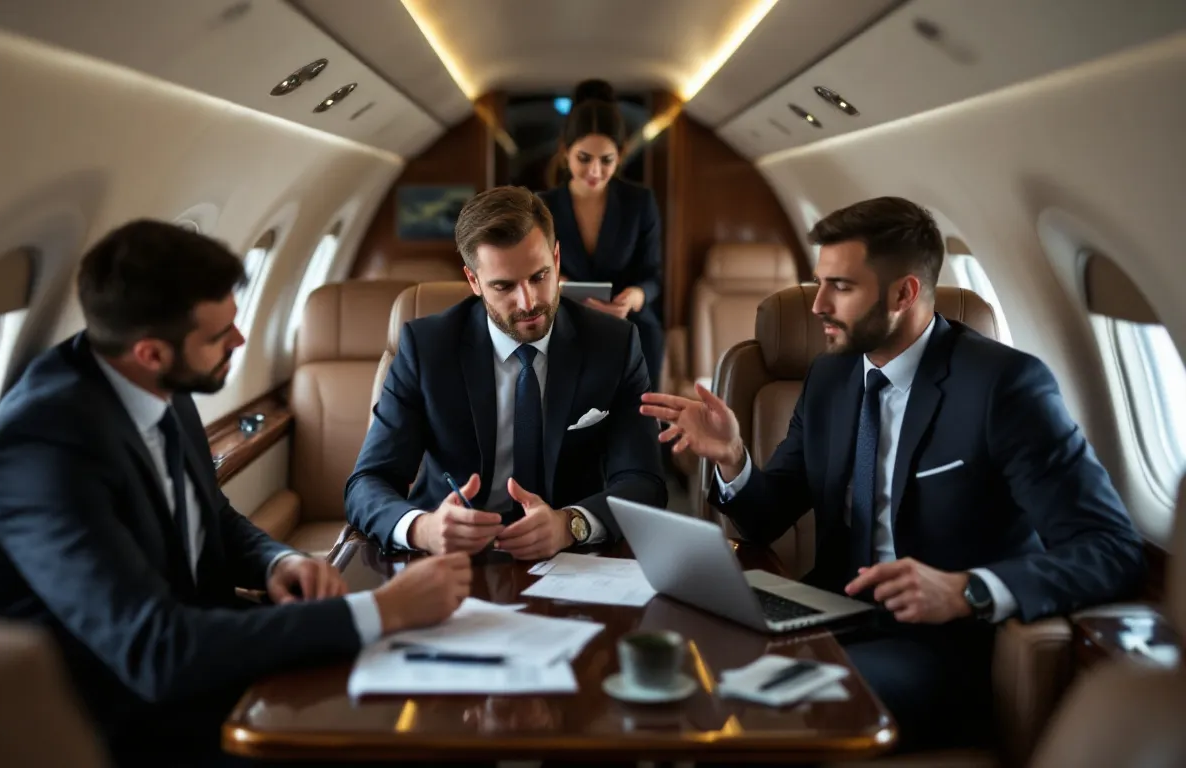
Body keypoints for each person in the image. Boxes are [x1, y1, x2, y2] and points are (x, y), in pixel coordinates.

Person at [0, 220, 472, 766]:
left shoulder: (160, 386)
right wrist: (380, 611)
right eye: (219, 335)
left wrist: (276, 560)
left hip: (178, 661)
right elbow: (156, 649)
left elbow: (210, 513)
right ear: (150, 352)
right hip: (88, 713)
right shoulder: (44, 446)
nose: (239, 342)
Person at [639, 197, 1146, 752]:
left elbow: (1111, 548)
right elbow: (767, 516)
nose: (818, 306)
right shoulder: (831, 377)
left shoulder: (1005, 387)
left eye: (842, 287)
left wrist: (968, 589)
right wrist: (734, 459)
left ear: (904, 293)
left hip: (939, 645)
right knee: (680, 666)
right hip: (828, 610)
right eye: (818, 284)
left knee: (751, 709)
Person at [345, 186, 667, 559]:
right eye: (504, 286)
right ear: (473, 281)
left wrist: (571, 523)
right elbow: (367, 482)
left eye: (539, 276)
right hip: (451, 559)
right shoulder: (427, 348)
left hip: (570, 558)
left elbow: (644, 482)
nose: (528, 302)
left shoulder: (615, 344)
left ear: (557, 260)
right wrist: (423, 528)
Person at [537, 85, 664, 392]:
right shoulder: (543, 205)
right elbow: (536, 272)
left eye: (606, 160)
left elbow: (653, 276)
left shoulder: (640, 202)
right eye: (584, 158)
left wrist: (635, 296)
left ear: (620, 156)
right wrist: (563, 285)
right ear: (565, 152)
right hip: (564, 324)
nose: (595, 170)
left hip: (630, 325)